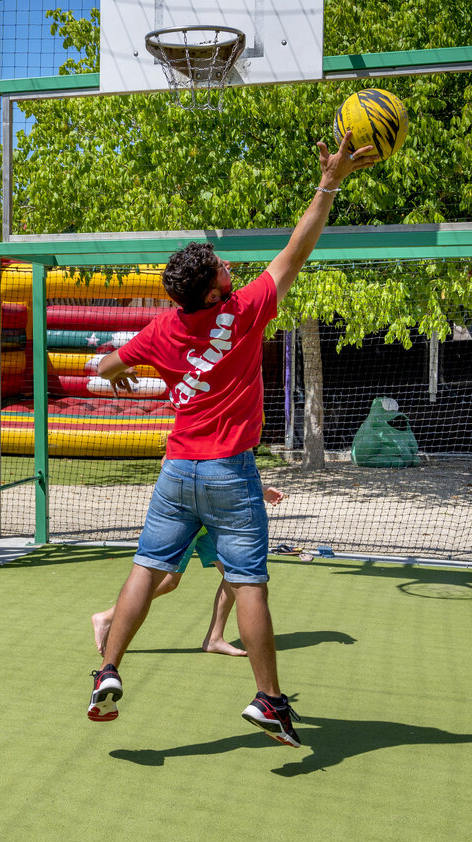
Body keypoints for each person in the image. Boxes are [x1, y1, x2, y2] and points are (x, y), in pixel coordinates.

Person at [86, 132, 377, 746]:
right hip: (228, 472)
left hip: (176, 472)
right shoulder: (242, 311)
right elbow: (297, 250)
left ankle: (107, 669)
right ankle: (269, 701)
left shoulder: (162, 329)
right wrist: (329, 182)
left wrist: (127, 375)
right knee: (249, 582)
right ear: (216, 291)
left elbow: (107, 368)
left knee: (146, 568)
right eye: (223, 267)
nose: (231, 268)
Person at [90, 486, 286, 658]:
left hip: (213, 517)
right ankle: (107, 617)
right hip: (189, 516)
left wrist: (260, 489)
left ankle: (214, 638)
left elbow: (230, 469)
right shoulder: (188, 446)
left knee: (233, 572)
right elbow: (170, 461)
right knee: (168, 582)